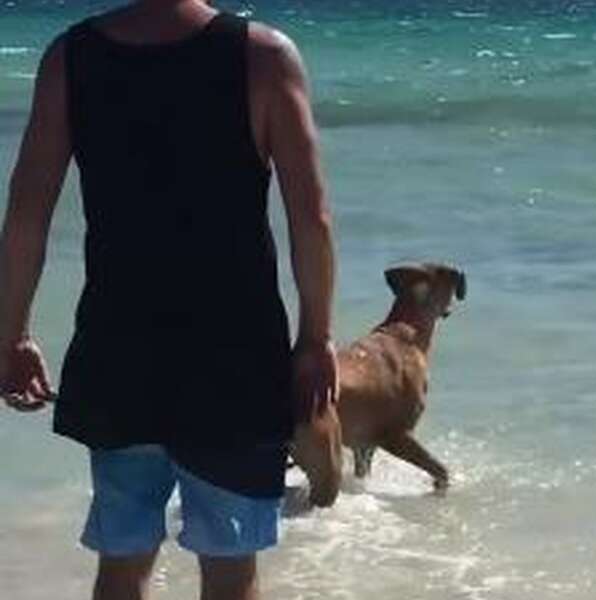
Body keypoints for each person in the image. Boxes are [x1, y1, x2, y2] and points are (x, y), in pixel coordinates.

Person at [0, 0, 337, 598]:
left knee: (122, 562)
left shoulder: (71, 57)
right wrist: (315, 338)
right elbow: (310, 219)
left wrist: (11, 334)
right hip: (235, 360)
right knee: (231, 573)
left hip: (117, 353)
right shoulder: (263, 56)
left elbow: (27, 215)